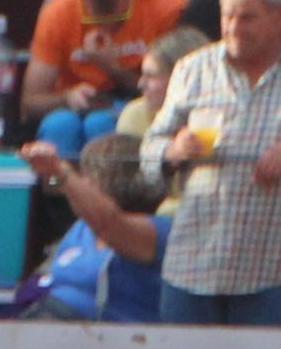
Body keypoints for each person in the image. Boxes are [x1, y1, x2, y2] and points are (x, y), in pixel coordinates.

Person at [148, 0, 281, 324]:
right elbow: (150, 149)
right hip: (194, 266)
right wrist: (174, 150)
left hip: (270, 272)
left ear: (278, 17)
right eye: (227, 16)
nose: (233, 27)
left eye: (247, 17)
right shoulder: (193, 69)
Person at [33, 0, 191, 160]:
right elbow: (30, 101)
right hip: (72, 104)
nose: (105, 29)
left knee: (100, 123)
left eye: (117, 20)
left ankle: (108, 181)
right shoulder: (58, 14)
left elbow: (174, 90)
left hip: (134, 97)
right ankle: (58, 180)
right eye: (97, 19)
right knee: (59, 126)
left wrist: (112, 67)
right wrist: (66, 97)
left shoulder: (165, 5)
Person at [18, 128, 172, 318]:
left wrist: (59, 171)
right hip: (51, 316)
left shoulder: (160, 230)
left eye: (87, 175)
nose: (82, 182)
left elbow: (108, 224)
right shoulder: (81, 228)